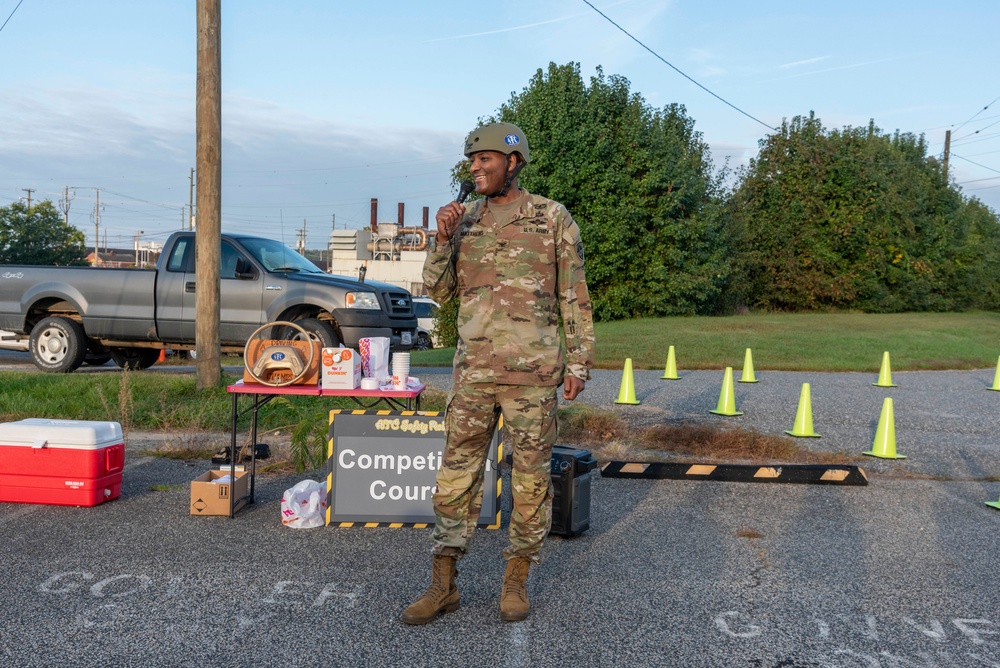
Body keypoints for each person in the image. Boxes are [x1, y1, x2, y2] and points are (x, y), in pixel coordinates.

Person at [402, 122, 595, 624]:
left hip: (532, 375)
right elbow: (438, 293)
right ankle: (443, 584)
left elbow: (573, 293)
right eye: (470, 162)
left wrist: (578, 362)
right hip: (474, 374)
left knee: (529, 482)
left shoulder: (551, 217)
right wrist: (441, 239)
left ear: (513, 162)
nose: (474, 168)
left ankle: (516, 582)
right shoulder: (462, 220)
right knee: (455, 477)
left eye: (483, 160)